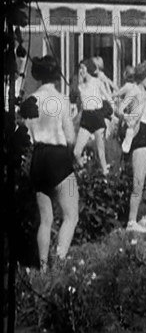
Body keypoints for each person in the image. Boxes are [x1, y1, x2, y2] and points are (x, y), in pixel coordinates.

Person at [24, 56, 79, 271]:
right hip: (58, 158)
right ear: (56, 76)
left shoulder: (31, 101)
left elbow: (27, 135)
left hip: (38, 158)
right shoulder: (60, 100)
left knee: (45, 219)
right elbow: (71, 137)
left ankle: (43, 268)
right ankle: (60, 260)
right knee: (71, 214)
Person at [119, 62, 146, 233]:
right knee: (138, 181)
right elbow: (120, 109)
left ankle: (132, 219)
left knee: (139, 181)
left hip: (143, 133)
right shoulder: (135, 90)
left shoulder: (145, 93)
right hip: (138, 135)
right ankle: (131, 221)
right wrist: (128, 118)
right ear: (144, 75)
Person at [73, 59, 113, 175]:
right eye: (80, 68)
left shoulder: (96, 82)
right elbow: (80, 106)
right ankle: (85, 172)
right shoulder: (80, 85)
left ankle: (106, 177)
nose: (81, 71)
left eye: (83, 68)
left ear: (88, 69)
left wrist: (113, 115)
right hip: (86, 117)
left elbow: (108, 97)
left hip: (97, 116)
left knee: (101, 153)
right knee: (76, 152)